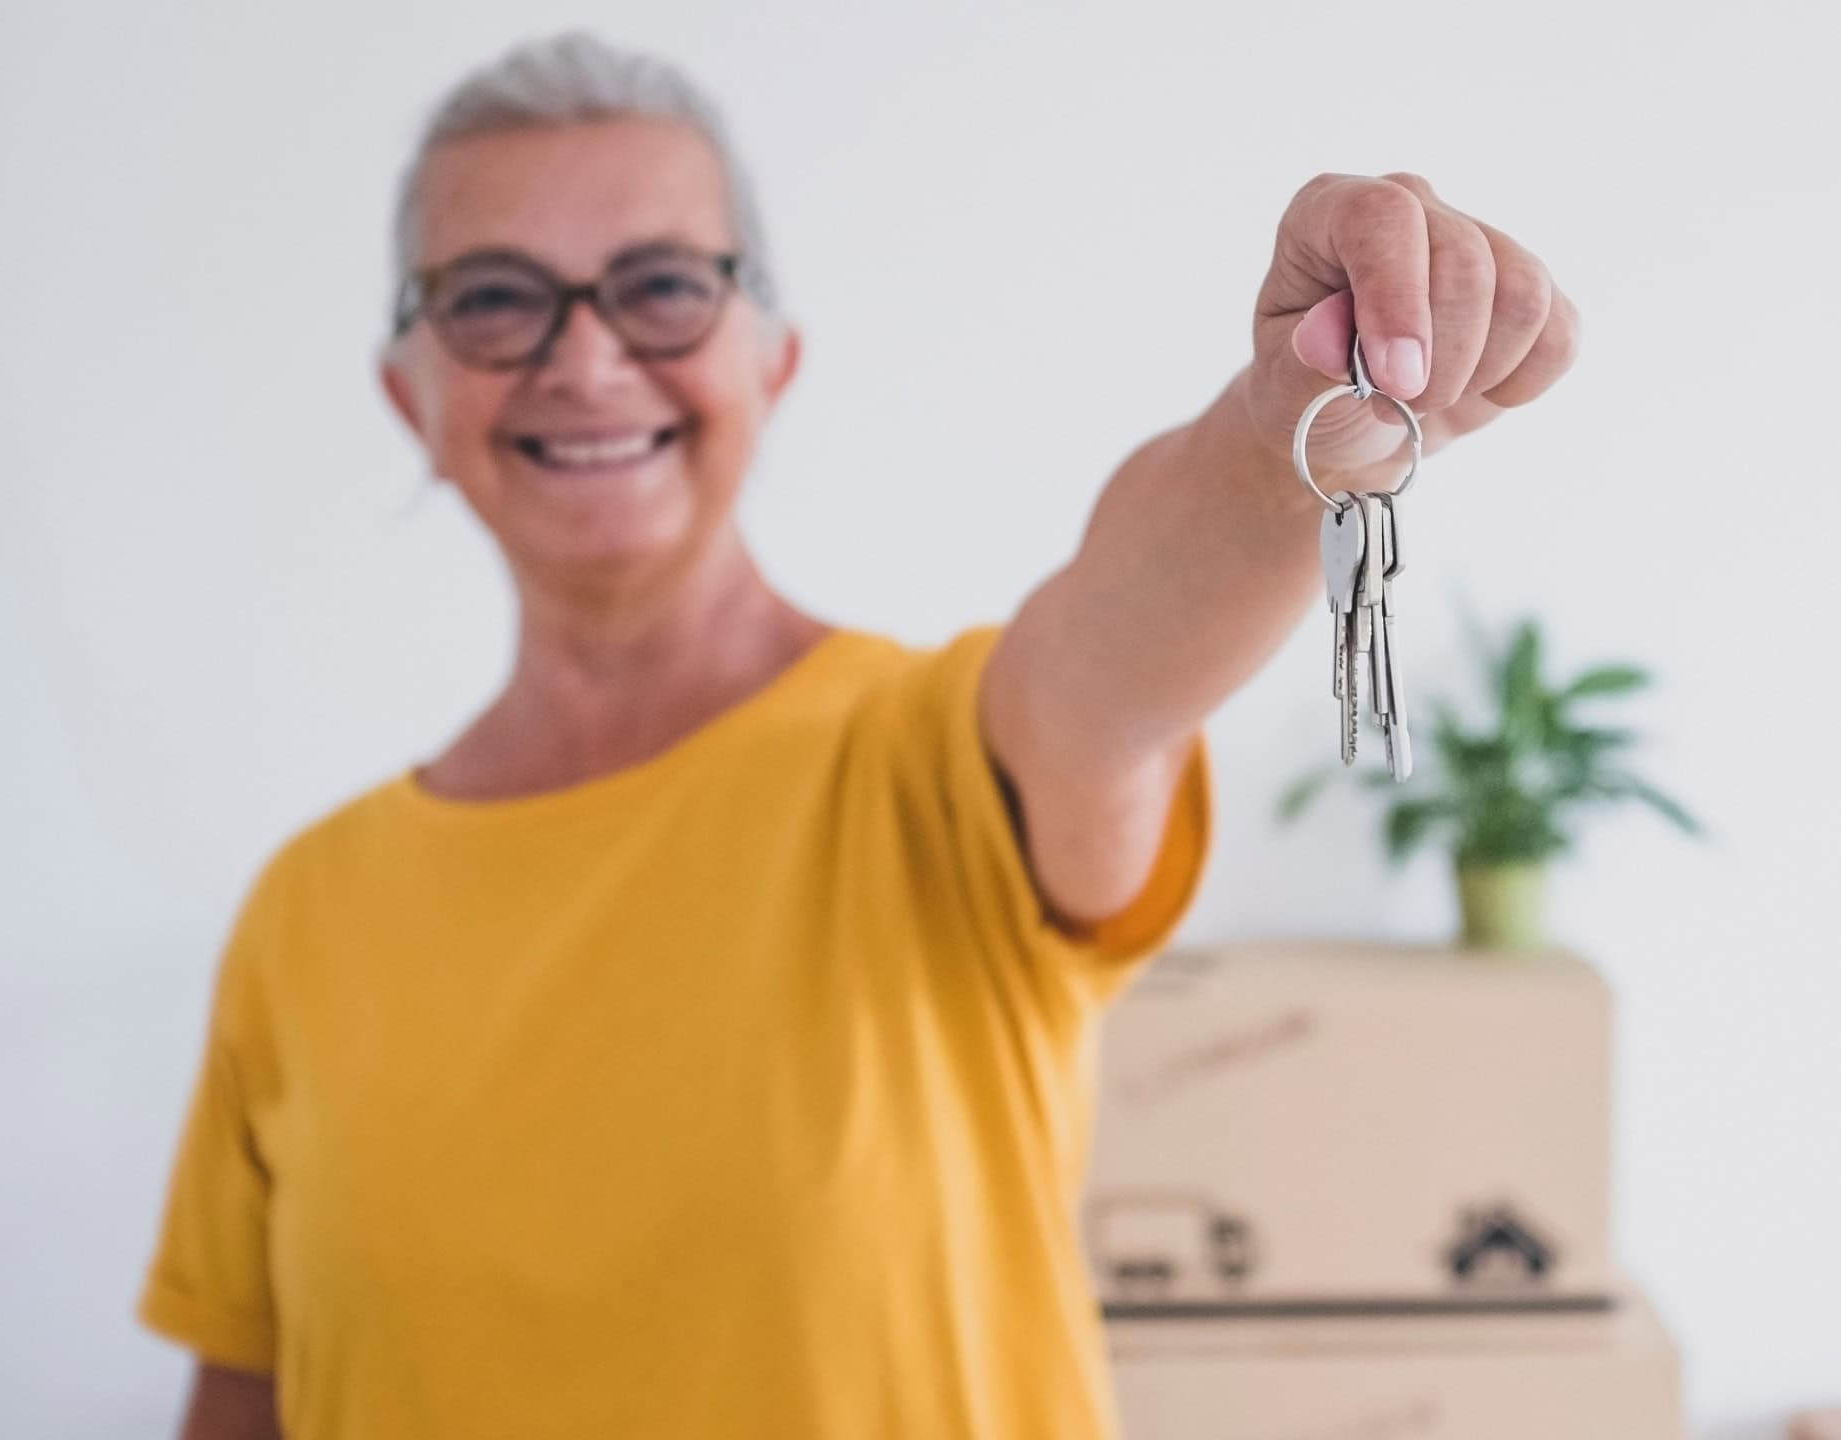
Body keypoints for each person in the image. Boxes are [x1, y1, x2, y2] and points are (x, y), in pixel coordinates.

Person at [135, 29, 1578, 1440]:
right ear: (414, 393)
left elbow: (1120, 653)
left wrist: (1284, 429)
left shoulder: (932, 763)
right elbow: (247, 1399)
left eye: (660, 288)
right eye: (496, 300)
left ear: (772, 358)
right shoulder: (305, 915)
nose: (583, 360)